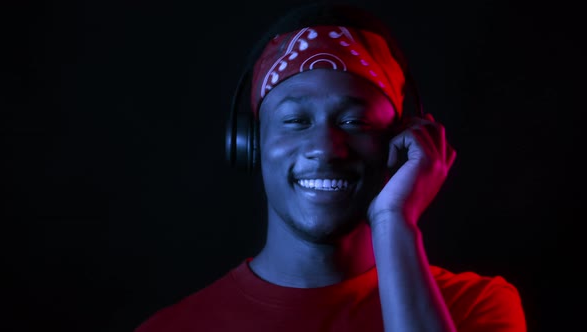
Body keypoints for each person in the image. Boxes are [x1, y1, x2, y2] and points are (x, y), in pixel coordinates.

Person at [134, 2, 526, 331]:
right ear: (250, 144)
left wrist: (394, 221)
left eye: (354, 122)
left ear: (401, 142)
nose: (324, 148)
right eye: (295, 121)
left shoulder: (475, 307)